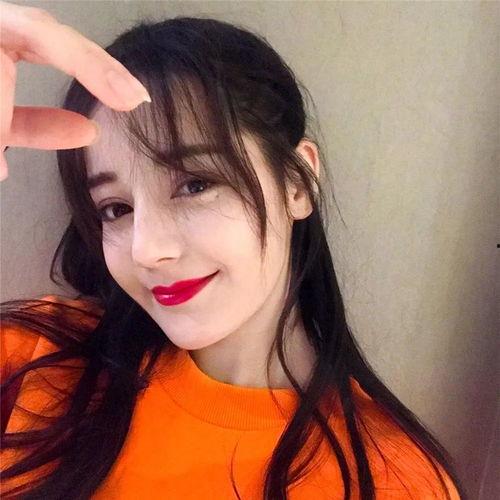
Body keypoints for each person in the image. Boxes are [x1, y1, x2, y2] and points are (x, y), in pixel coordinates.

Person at [0, 2, 466, 499]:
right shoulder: (38, 357)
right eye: (116, 209)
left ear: (297, 182)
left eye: (195, 184)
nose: (147, 250)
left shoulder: (392, 478)